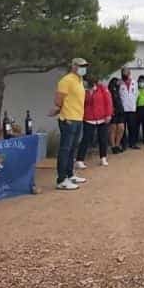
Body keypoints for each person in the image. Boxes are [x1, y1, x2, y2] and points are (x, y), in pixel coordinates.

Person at [51, 58, 90, 189]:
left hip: (78, 118)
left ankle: (70, 174)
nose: (84, 68)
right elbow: (58, 101)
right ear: (73, 66)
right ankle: (61, 180)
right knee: (65, 149)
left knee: (73, 148)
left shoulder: (79, 81)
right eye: (81, 65)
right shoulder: (66, 80)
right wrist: (59, 110)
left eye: (85, 66)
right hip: (68, 119)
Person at [76, 74, 113, 169]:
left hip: (102, 117)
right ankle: (80, 160)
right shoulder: (83, 90)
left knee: (103, 139)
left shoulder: (102, 88)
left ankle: (103, 158)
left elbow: (108, 101)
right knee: (86, 139)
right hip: (88, 118)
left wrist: (108, 114)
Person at [119, 67, 140, 150]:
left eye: (127, 72)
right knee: (122, 128)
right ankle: (123, 144)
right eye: (124, 72)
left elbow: (137, 94)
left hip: (132, 108)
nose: (126, 74)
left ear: (129, 73)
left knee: (132, 127)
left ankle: (133, 143)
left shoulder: (134, 82)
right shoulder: (119, 83)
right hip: (123, 109)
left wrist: (133, 102)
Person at [108, 77, 126, 154]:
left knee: (121, 128)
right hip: (113, 111)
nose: (120, 83)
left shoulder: (119, 90)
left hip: (120, 111)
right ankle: (113, 146)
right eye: (118, 82)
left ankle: (117, 144)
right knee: (113, 129)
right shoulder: (111, 90)